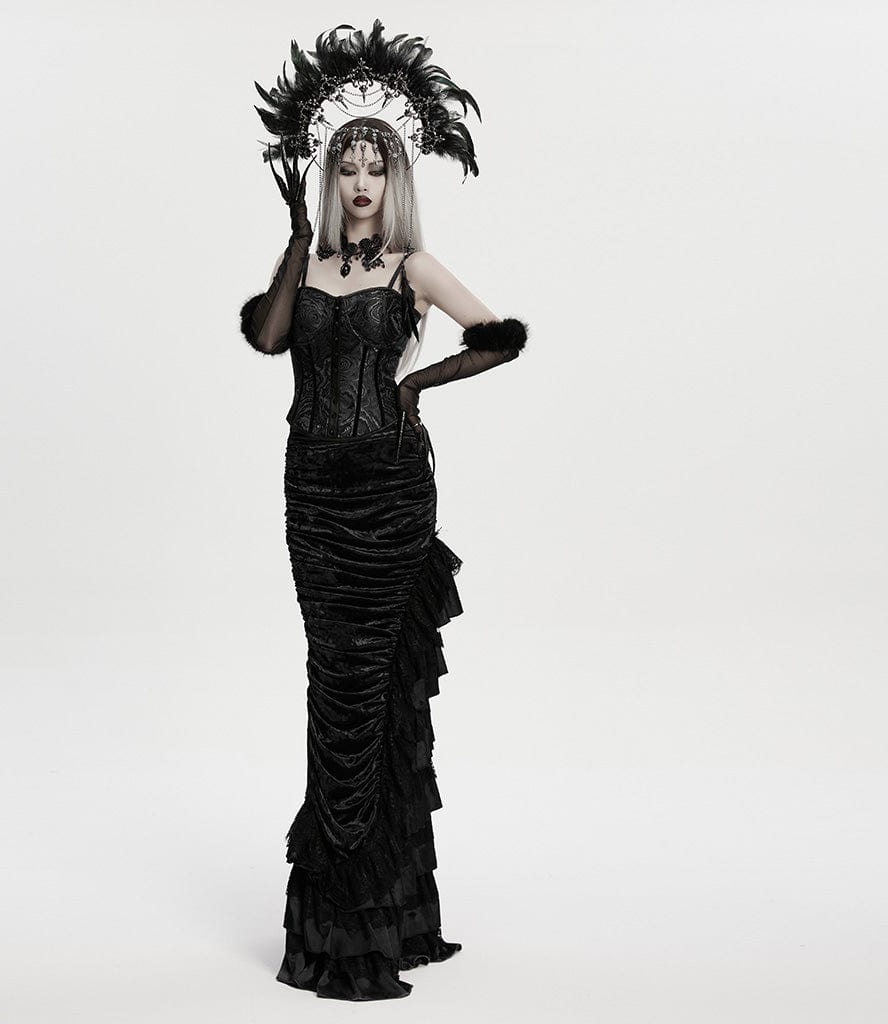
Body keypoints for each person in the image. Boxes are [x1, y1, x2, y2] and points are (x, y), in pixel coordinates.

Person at [238, 24, 529, 1002]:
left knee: (370, 691)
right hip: (314, 498)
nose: (361, 181)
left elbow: (500, 335)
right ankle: (343, 918)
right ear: (329, 178)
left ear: (395, 178)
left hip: (392, 495)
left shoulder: (412, 265)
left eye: (376, 167)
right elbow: (267, 338)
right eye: (347, 166)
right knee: (333, 687)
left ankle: (370, 922)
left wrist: (416, 385)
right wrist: (293, 240)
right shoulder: (313, 264)